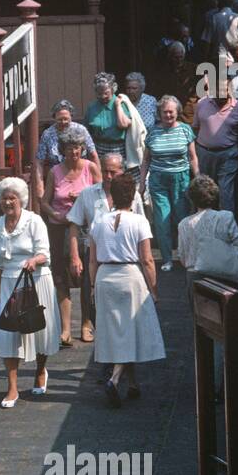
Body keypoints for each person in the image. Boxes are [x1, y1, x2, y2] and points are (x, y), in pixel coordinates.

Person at [88, 174, 165, 407]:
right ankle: (114, 378)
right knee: (129, 331)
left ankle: (132, 384)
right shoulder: (140, 221)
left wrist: (92, 286)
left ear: (112, 194)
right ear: (132, 197)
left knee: (116, 332)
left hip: (104, 277)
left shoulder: (98, 222)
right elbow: (148, 259)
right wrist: (154, 288)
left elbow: (92, 260)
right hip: (130, 277)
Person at [0, 177, 63, 407]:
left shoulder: (34, 221)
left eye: (12, 197)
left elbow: (46, 254)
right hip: (8, 283)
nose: (8, 202)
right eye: (4, 198)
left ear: (21, 199)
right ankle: (12, 388)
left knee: (38, 330)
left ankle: (41, 371)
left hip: (35, 281)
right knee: (8, 334)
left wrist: (34, 260)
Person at [67, 153, 145, 355]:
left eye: (114, 171)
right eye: (105, 171)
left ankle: (119, 356)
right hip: (95, 256)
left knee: (125, 313)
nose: (109, 176)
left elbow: (142, 232)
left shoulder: (133, 196)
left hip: (126, 261)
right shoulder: (88, 194)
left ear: (123, 171)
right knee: (94, 304)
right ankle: (104, 349)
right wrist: (74, 256)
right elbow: (74, 225)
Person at [39, 132, 99, 347]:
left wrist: (83, 198)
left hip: (84, 229)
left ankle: (85, 324)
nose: (74, 152)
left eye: (78, 148)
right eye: (69, 148)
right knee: (61, 277)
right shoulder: (55, 171)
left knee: (85, 278)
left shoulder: (90, 167)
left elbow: (102, 195)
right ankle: (65, 328)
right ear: (62, 150)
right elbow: (44, 201)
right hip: (60, 228)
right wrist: (53, 214)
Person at [141, 95, 199, 272]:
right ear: (159, 113)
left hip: (181, 179)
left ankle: (185, 256)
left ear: (177, 112)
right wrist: (142, 182)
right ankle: (167, 259)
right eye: (164, 112)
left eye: (171, 112)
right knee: (162, 220)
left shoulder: (185, 130)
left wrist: (198, 177)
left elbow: (192, 157)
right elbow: (146, 160)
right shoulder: (152, 131)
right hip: (158, 180)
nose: (168, 115)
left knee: (182, 219)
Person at [178, 175, 238, 294]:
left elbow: (183, 258)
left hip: (194, 278)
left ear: (192, 198)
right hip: (224, 275)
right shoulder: (226, 217)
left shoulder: (183, 224)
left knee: (198, 312)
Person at [194, 75, 238, 213]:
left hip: (228, 154)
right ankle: (203, 222)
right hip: (204, 153)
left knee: (226, 191)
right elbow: (195, 128)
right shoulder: (202, 103)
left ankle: (226, 225)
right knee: (204, 189)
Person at [36, 99, 98, 187]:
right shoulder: (47, 134)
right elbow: (39, 161)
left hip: (82, 176)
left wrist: (99, 181)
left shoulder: (81, 130)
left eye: (66, 119)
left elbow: (93, 155)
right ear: (54, 118)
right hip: (57, 179)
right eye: (59, 119)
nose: (63, 122)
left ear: (71, 117)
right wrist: (39, 186)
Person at [84, 72, 133, 162]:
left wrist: (117, 105)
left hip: (118, 147)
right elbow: (87, 131)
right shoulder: (92, 107)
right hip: (98, 146)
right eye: (99, 93)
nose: (103, 96)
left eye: (106, 93)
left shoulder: (121, 103)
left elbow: (124, 124)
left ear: (113, 89)